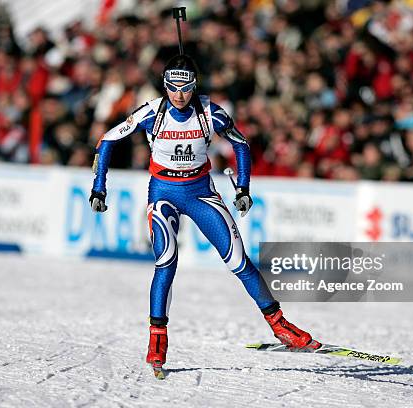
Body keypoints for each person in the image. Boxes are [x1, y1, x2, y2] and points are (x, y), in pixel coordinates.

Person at [89, 54, 321, 371]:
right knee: (166, 261)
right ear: (165, 85)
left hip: (201, 192)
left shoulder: (209, 111)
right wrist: (99, 186)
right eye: (172, 87)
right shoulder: (152, 112)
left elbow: (240, 144)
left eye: (185, 88)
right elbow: (107, 139)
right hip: (164, 193)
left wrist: (243, 188)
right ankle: (157, 338)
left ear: (195, 86)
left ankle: (280, 325)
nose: (179, 95)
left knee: (239, 260)